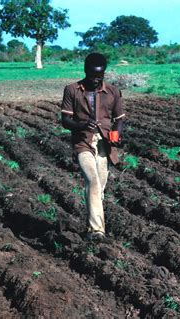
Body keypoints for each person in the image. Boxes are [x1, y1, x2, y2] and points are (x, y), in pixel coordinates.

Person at [60, 53, 125, 242]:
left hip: (104, 143)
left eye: (100, 76)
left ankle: (91, 224)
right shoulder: (72, 90)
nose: (96, 80)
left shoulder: (113, 92)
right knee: (93, 180)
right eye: (92, 76)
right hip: (82, 142)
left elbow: (119, 119)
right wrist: (81, 125)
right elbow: (65, 120)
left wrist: (117, 135)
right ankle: (97, 231)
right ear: (85, 71)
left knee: (100, 186)